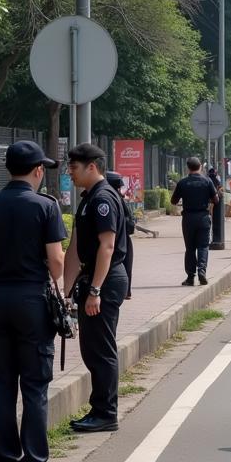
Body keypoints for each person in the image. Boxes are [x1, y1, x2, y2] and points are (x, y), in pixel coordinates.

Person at [0, 141, 66, 462]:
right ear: (38, 170)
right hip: (32, 303)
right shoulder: (46, 207)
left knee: (2, 387)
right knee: (35, 386)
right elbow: (56, 260)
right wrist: (61, 293)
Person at [63, 143, 129, 434]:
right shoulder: (88, 198)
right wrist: (65, 292)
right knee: (91, 348)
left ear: (92, 166)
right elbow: (76, 248)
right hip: (93, 278)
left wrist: (95, 291)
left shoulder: (103, 198)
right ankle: (99, 408)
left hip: (106, 278)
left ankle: (106, 413)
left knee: (101, 348)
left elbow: (107, 246)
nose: (70, 172)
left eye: (74, 167)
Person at [171, 157, 219, 285]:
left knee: (190, 248)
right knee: (203, 246)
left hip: (188, 218)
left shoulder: (182, 183)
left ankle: (190, 277)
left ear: (188, 168)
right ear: (200, 167)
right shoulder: (207, 181)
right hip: (203, 217)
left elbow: (173, 201)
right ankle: (202, 271)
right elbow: (216, 200)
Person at [105, 171, 136, 299]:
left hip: (112, 240)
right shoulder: (117, 200)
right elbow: (131, 226)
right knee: (125, 266)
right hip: (123, 240)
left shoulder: (108, 198)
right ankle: (125, 291)